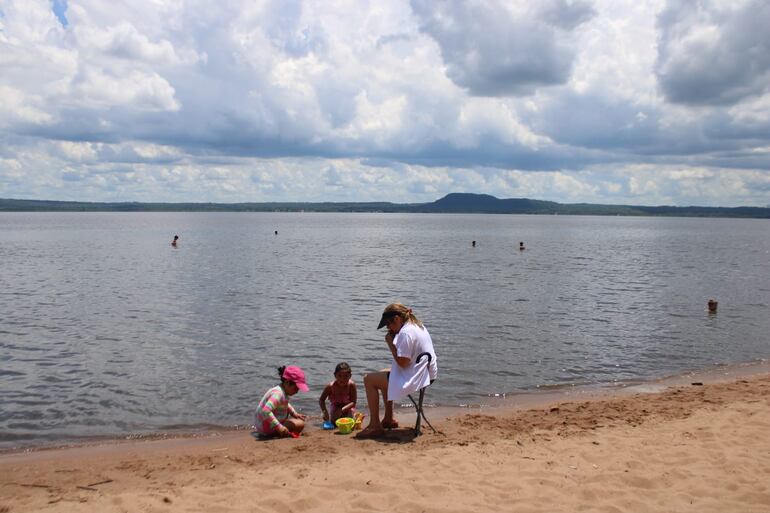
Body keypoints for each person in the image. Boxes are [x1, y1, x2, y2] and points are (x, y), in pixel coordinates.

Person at [357, 303, 438, 439]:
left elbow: (402, 363)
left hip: (417, 377)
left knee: (368, 379)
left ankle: (375, 425)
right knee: (384, 372)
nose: (388, 328)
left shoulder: (405, 333)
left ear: (397, 319)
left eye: (388, 324)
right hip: (427, 372)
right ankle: (389, 418)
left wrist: (390, 343)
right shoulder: (417, 325)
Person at [253, 365, 309, 438]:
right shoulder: (278, 394)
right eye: (296, 388)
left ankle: (279, 430)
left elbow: (286, 403)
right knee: (300, 424)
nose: (297, 391)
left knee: (298, 422)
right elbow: (266, 411)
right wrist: (279, 427)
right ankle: (277, 432)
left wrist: (294, 413)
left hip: (263, 426)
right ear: (287, 382)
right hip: (267, 428)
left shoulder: (282, 392)